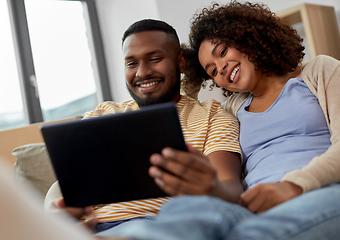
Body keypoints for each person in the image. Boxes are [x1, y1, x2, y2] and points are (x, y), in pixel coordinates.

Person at [87, 2, 340, 239]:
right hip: (253, 205)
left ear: (247, 37)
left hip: (318, 190)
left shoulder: (317, 73)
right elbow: (184, 99)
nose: (222, 68)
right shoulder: (233, 107)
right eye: (212, 70)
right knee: (187, 212)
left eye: (222, 51)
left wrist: (293, 186)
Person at [44, 19, 243, 234]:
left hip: (164, 225)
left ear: (181, 62)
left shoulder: (213, 116)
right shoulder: (101, 115)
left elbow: (230, 187)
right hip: (91, 230)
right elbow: (70, 189)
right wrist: (58, 218)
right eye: (131, 63)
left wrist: (212, 187)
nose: (142, 72)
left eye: (154, 59)